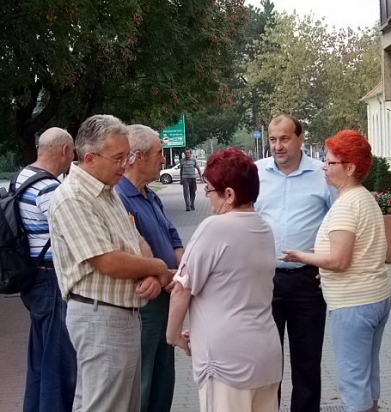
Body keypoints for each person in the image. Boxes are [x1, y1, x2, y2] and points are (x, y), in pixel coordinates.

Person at [48, 114, 174, 412]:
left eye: (127, 155)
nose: (124, 164)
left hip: (119, 316)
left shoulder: (106, 191)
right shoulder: (74, 198)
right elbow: (108, 261)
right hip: (100, 317)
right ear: (90, 158)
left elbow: (135, 239)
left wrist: (149, 273)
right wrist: (157, 268)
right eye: (118, 157)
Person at [280, 130, 391, 412]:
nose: (324, 167)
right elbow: (356, 251)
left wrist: (302, 256)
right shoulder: (364, 198)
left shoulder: (346, 205)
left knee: (353, 381)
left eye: (330, 162)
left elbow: (340, 260)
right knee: (368, 376)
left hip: (353, 303)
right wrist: (323, 261)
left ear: (350, 168)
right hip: (374, 297)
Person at [167, 147, 282, 412]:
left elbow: (182, 288)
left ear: (229, 194)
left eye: (209, 189)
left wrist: (173, 335)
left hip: (226, 361)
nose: (206, 196)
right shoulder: (264, 228)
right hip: (265, 353)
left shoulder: (214, 227)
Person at [254, 114, 333, 412]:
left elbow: (338, 220)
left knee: (307, 362)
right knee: (266, 361)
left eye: (285, 138)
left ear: (300, 139)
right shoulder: (256, 173)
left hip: (307, 281)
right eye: (273, 139)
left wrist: (328, 261)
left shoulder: (322, 175)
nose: (278, 146)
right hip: (264, 280)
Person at [115, 125, 184, 412]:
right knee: (142, 380)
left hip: (166, 296)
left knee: (163, 378)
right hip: (144, 303)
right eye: (159, 153)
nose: (164, 160)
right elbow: (127, 250)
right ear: (139, 157)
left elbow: (174, 239)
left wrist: (179, 272)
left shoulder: (151, 196)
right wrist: (159, 274)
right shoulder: (118, 198)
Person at [14, 127, 77, 412]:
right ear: (64, 150)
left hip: (31, 276)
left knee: (39, 361)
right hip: (51, 279)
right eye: (72, 153)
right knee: (58, 363)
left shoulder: (22, 177)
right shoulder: (49, 188)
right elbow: (70, 232)